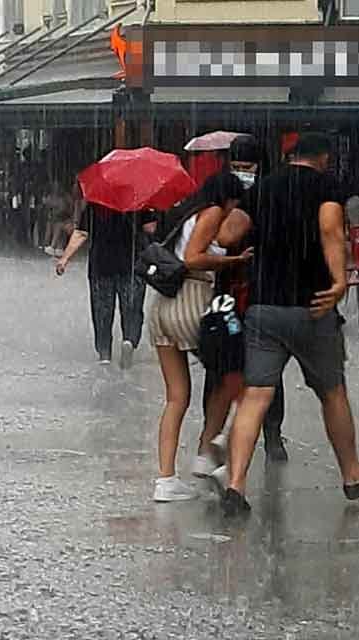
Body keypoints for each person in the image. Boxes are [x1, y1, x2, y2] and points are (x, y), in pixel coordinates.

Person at [219, 133, 359, 517]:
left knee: (256, 395)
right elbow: (330, 229)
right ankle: (353, 474)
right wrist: (339, 281)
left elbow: (226, 233)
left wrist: (253, 246)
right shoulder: (324, 186)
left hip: (265, 306)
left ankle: (235, 485)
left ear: (290, 156)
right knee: (331, 391)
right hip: (312, 307)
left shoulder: (264, 188)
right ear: (323, 158)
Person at [147, 173, 252, 503]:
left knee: (176, 397)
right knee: (237, 372)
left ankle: (165, 480)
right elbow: (193, 257)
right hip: (191, 299)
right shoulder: (211, 213)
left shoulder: (185, 214)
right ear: (228, 199)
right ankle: (210, 451)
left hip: (162, 307)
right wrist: (233, 260)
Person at [200, 137, 290, 465]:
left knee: (266, 368)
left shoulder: (269, 196)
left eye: (247, 168)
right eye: (235, 167)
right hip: (226, 291)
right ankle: (214, 434)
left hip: (260, 291)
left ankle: (272, 433)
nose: (241, 174)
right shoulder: (219, 191)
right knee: (221, 363)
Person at [55, 200, 155, 368]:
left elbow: (81, 233)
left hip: (101, 264)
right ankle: (129, 340)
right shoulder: (138, 201)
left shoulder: (95, 205)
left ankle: (104, 354)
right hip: (132, 264)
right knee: (132, 307)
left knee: (102, 310)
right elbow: (150, 229)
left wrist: (65, 259)